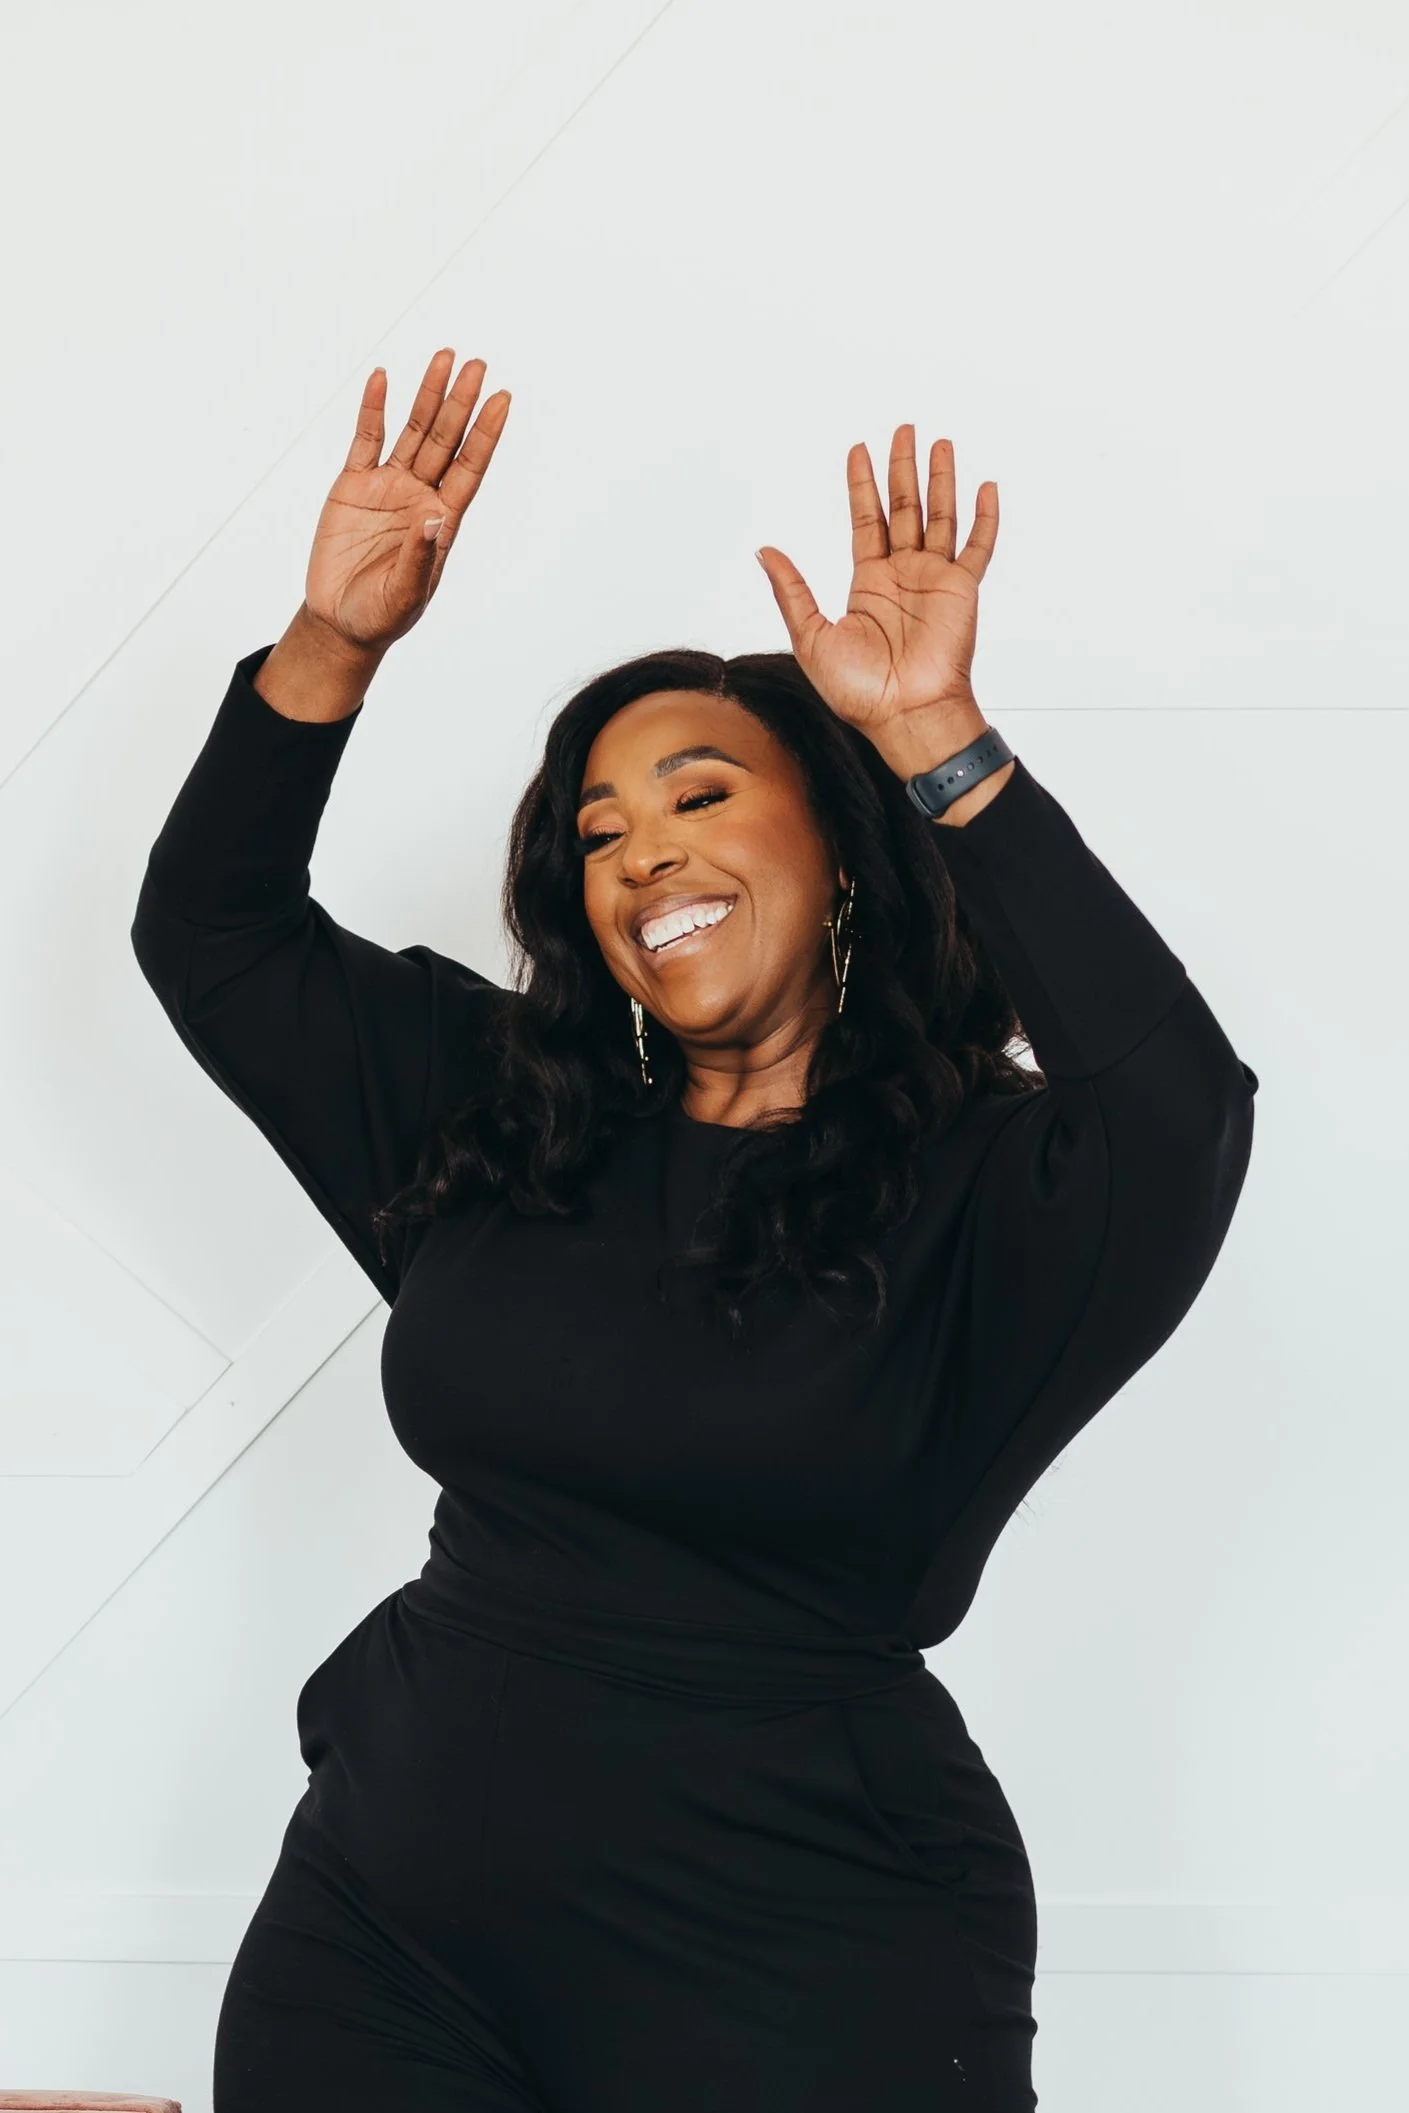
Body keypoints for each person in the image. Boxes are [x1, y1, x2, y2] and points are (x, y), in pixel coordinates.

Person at [130, 347, 1258, 2111]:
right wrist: (331, 642)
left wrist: (939, 740)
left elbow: (1179, 1103)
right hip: (388, 1936)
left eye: (703, 797)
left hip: (802, 1963)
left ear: (844, 848)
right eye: (601, 832)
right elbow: (213, 933)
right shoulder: (508, 1124)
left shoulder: (999, 1195)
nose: (644, 854)